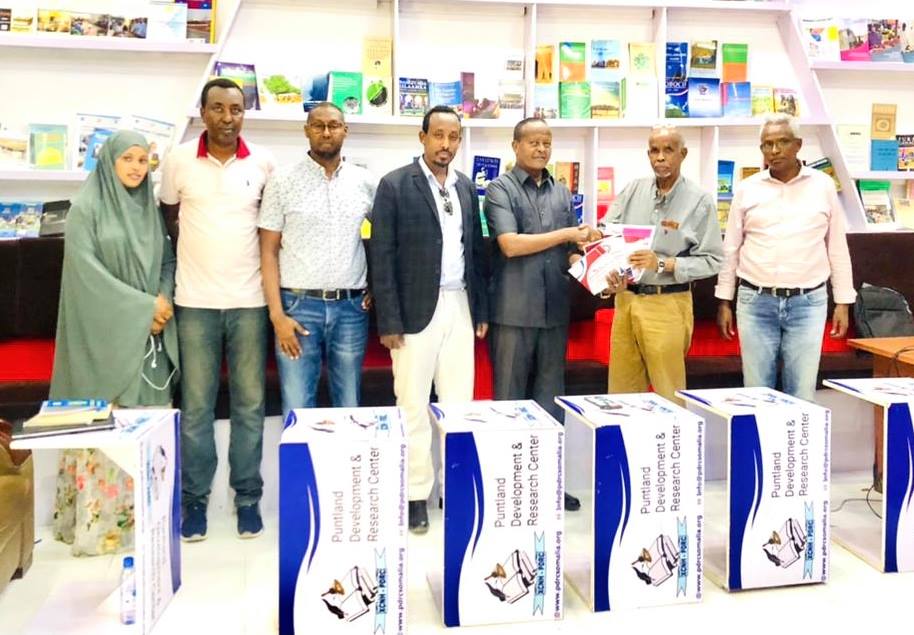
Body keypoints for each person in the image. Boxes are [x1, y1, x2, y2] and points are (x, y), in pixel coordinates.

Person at [51, 130, 179, 556]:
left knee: (146, 430)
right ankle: (102, 530)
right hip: (102, 334)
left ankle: (147, 528)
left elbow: (167, 261)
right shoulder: (85, 209)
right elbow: (85, 274)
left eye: (143, 160)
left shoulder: (148, 209)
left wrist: (162, 302)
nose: (136, 168)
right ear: (108, 161)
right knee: (107, 426)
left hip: (150, 337)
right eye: (128, 159)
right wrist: (143, 308)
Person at [160, 78, 275, 541]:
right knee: (195, 408)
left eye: (236, 109)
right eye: (219, 108)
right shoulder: (178, 160)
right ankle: (195, 501)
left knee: (250, 405)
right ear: (203, 112)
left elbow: (271, 230)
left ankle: (247, 498)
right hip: (195, 303)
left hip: (250, 303)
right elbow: (169, 219)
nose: (228, 118)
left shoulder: (264, 162)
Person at [370, 105, 489, 534]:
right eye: (438, 135)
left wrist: (480, 310)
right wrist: (389, 321)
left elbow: (475, 252)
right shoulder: (395, 184)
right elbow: (381, 257)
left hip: (460, 305)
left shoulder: (466, 187)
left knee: (458, 405)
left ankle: (454, 490)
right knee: (412, 406)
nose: (446, 144)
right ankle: (416, 495)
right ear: (422, 137)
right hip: (413, 313)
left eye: (453, 137)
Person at [484, 117, 600, 512]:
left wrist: (592, 260)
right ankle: (507, 490)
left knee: (551, 406)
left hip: (555, 313)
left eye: (547, 142)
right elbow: (510, 245)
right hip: (513, 313)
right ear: (515, 145)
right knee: (510, 404)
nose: (541, 149)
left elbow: (568, 253)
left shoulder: (562, 191)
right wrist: (568, 235)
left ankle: (548, 486)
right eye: (533, 142)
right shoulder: (499, 189)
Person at [716, 113, 855, 402]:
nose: (774, 150)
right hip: (755, 302)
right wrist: (724, 301)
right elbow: (731, 249)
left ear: (798, 145)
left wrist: (843, 302)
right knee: (756, 394)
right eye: (767, 144)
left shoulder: (823, 186)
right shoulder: (747, 188)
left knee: (802, 394)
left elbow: (837, 247)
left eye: (782, 142)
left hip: (808, 303)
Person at [258, 102, 376, 416]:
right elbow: (267, 251)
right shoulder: (282, 181)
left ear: (345, 131)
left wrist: (376, 286)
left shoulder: (365, 182)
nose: (326, 132)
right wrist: (277, 316)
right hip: (298, 309)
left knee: (349, 407)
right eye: (318, 125)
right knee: (297, 407)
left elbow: (387, 240)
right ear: (306, 130)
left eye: (333, 126)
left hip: (351, 310)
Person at [602, 125, 723, 403]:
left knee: (669, 395)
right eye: (654, 151)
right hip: (626, 301)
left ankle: (674, 433)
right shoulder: (633, 189)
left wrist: (664, 264)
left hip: (667, 303)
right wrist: (601, 254)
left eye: (668, 150)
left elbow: (713, 260)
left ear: (683, 154)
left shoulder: (699, 201)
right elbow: (608, 232)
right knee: (621, 395)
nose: (660, 157)